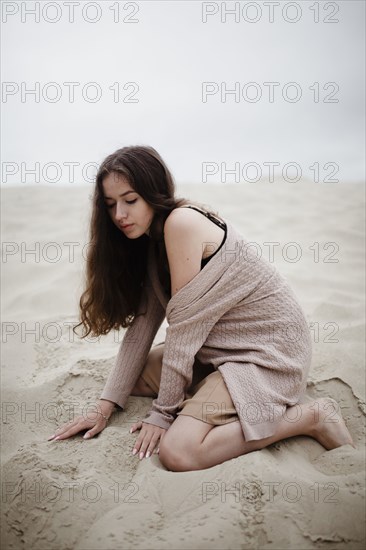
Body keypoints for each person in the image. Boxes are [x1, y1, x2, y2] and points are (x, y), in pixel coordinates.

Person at [48, 145, 355, 471]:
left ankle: (310, 417)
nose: (119, 215)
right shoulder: (152, 241)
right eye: (110, 205)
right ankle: (217, 398)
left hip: (265, 356)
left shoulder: (181, 224)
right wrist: (103, 408)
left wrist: (163, 413)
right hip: (215, 351)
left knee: (179, 452)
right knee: (130, 381)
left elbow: (183, 330)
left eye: (130, 200)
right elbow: (143, 327)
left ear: (153, 192)